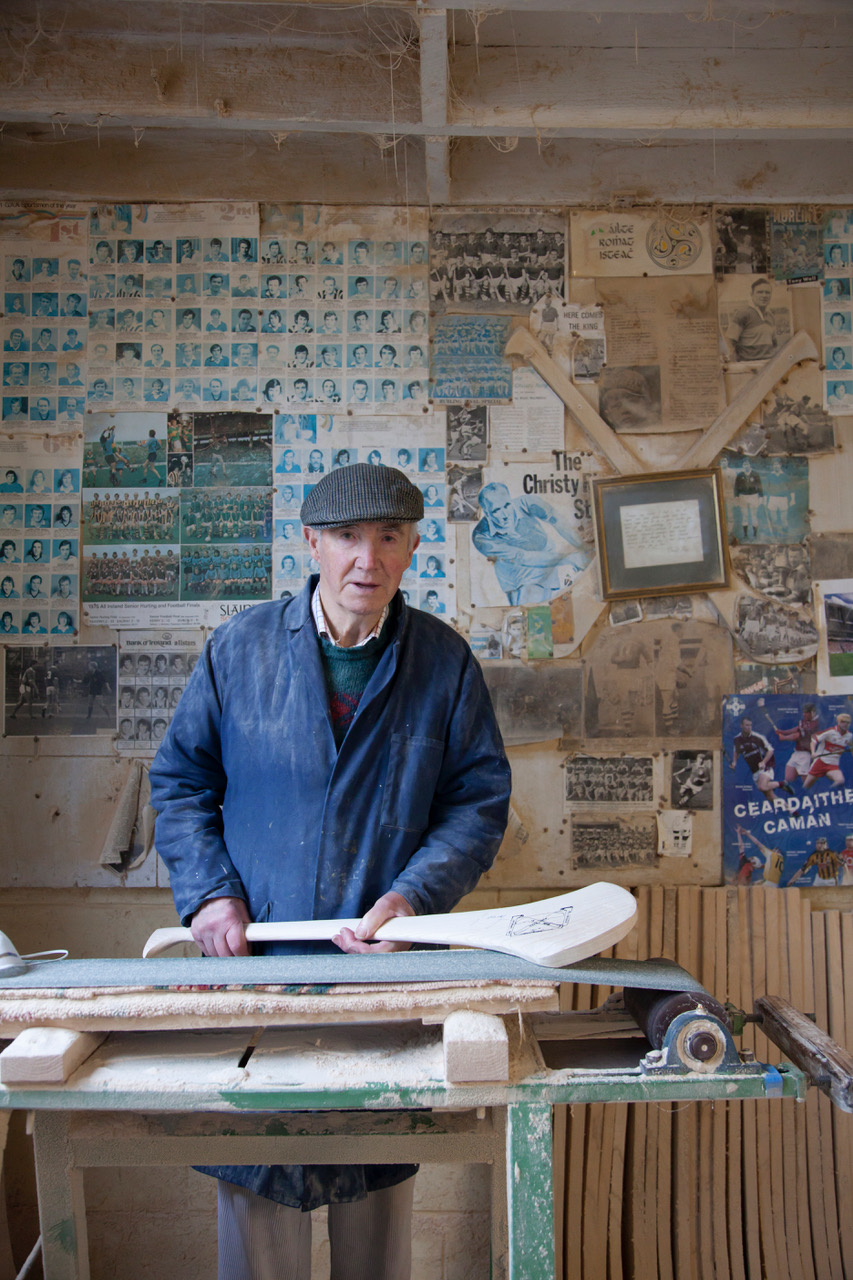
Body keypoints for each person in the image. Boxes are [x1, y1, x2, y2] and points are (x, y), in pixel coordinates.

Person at [149, 464, 510, 1280]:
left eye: (388, 538)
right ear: (311, 543)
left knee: (374, 1217)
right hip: (254, 981)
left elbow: (478, 803)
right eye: (347, 537)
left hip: (380, 981)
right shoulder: (238, 651)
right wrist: (208, 896)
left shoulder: (442, 664)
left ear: (413, 547)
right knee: (259, 1214)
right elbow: (179, 783)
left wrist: (412, 895)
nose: (366, 559)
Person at [472, 483, 588, 606]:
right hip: (520, 578)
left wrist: (585, 548)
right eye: (496, 510)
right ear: (487, 513)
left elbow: (558, 521)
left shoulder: (527, 502)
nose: (505, 515)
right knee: (537, 615)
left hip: (550, 563)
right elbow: (522, 557)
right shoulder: (481, 537)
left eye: (507, 505)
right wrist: (568, 558)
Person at [730, 716, 793, 798]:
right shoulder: (737, 739)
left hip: (765, 766)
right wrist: (734, 762)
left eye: (750, 725)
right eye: (746, 725)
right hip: (754, 770)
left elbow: (770, 750)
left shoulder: (757, 737)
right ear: (741, 725)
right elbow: (736, 751)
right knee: (770, 797)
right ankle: (792, 811)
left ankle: (782, 783)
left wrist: (763, 762)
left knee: (762, 786)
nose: (749, 727)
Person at [728, 277, 778, 362]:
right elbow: (729, 342)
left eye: (767, 292)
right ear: (752, 294)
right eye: (760, 292)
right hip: (749, 366)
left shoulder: (770, 316)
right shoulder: (743, 313)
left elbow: (774, 344)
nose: (764, 295)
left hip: (769, 365)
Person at [803, 711, 852, 790]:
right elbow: (814, 740)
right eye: (843, 722)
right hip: (820, 762)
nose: (845, 724)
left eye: (847, 722)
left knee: (840, 780)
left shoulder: (849, 736)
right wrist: (813, 752)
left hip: (833, 765)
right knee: (806, 787)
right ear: (838, 722)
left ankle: (828, 794)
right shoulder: (830, 732)